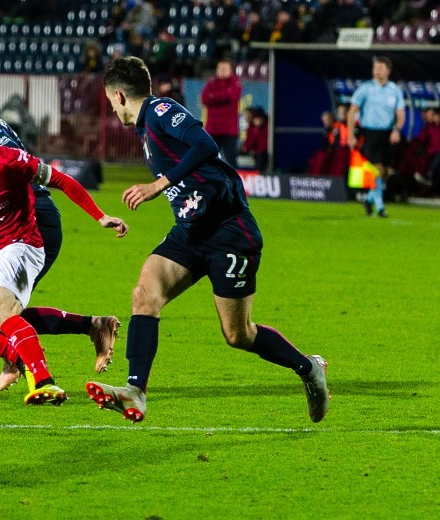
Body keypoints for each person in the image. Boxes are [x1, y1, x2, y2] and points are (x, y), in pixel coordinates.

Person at [86, 56, 330, 424]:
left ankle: (308, 368)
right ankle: (135, 390)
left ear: (118, 96)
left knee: (238, 334)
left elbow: (205, 145)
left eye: (109, 101)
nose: (111, 107)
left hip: (228, 231)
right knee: (144, 295)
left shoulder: (160, 110)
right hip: (189, 231)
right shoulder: (146, 130)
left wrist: (159, 184)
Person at [0, 76, 121, 390]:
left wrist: (100, 216)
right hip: (2, 228)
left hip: (31, 222)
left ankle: (33, 371)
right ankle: (90, 327)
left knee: (2, 309)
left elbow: (17, 184)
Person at [346, 56, 405, 218]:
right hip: (370, 132)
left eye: (380, 68)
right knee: (376, 168)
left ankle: (370, 198)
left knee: (386, 171)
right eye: (375, 68)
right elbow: (352, 112)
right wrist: (351, 135)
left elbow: (400, 113)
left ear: (388, 70)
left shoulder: (395, 90)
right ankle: (380, 207)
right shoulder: (365, 89)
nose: (377, 71)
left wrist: (397, 130)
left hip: (388, 133)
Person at [201, 59, 242, 168]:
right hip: (213, 129)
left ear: (231, 70)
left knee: (231, 159)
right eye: (220, 69)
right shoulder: (211, 83)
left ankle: (234, 183)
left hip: (229, 130)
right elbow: (205, 99)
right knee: (209, 159)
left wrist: (214, 97)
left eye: (225, 69)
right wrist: (222, 96)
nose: (222, 71)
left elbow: (231, 97)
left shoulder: (235, 83)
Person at [240, 106, 269, 172]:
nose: (257, 121)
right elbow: (248, 142)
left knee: (261, 155)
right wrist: (245, 148)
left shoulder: (266, 128)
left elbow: (263, 145)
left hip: (262, 153)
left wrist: (251, 149)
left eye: (259, 118)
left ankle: (259, 174)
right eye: (256, 119)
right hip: (254, 152)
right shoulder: (251, 128)